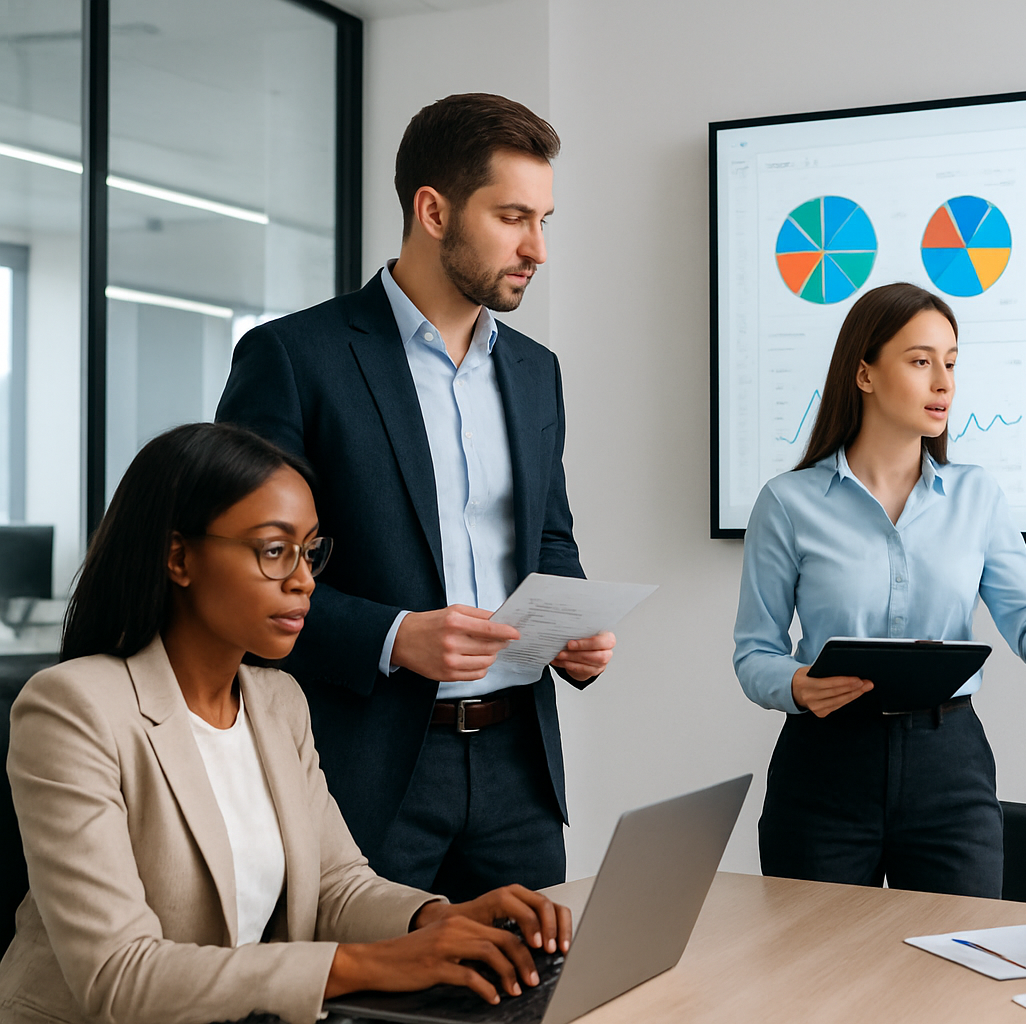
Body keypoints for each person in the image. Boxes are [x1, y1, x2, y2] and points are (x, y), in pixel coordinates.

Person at [0, 423, 572, 1024]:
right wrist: (372, 964)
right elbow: (119, 976)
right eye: (274, 550)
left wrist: (440, 919)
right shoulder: (74, 709)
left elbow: (336, 886)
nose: (303, 580)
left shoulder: (278, 701)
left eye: (310, 551)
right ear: (179, 558)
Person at [217, 94, 613, 898]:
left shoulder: (536, 372)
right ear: (433, 211)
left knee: (535, 973)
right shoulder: (295, 357)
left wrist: (569, 625)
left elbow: (548, 538)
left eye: (543, 220)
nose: (537, 248)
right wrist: (394, 637)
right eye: (513, 217)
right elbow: (246, 575)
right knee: (368, 979)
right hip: (365, 768)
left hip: (519, 766)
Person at [733, 281, 1026, 898]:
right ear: (864, 373)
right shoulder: (787, 502)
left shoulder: (976, 495)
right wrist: (797, 685)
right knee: (813, 955)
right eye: (921, 361)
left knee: (956, 952)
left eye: (951, 363)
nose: (944, 383)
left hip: (948, 768)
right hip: (823, 766)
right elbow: (755, 653)